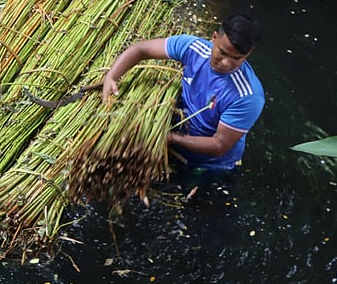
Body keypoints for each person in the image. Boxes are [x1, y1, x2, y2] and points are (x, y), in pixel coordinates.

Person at [101, 13, 264, 171]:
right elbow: (141, 49)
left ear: (248, 53)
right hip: (181, 128)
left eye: (236, 58)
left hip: (210, 162)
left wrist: (171, 138)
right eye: (222, 52)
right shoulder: (193, 48)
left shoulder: (248, 96)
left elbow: (219, 145)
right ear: (214, 37)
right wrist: (111, 77)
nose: (226, 63)